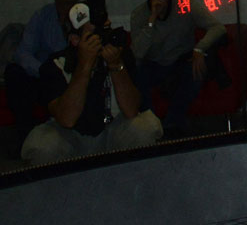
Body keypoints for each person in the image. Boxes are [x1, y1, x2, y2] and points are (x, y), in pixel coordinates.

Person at [21, 15, 162, 163]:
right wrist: (84, 66)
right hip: (70, 136)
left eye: (106, 30)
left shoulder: (121, 55)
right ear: (75, 40)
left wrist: (116, 65)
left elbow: (132, 110)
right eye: (96, 34)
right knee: (42, 145)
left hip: (112, 130)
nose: (102, 38)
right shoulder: (56, 64)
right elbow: (66, 119)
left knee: (146, 127)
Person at [128, 0, 227, 136]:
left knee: (197, 71)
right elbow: (137, 53)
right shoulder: (139, 14)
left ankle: (171, 124)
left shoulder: (184, 4)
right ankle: (150, 125)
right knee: (136, 72)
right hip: (154, 64)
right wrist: (152, 19)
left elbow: (218, 27)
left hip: (181, 62)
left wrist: (199, 49)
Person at [4, 0, 82, 153]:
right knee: (14, 73)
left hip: (78, 76)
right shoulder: (42, 16)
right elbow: (23, 52)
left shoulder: (86, 14)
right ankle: (26, 140)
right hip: (47, 77)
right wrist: (43, 71)